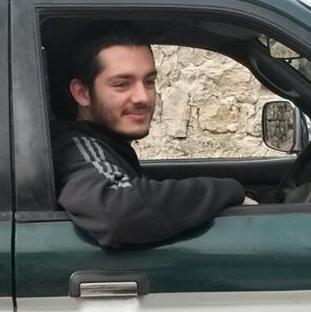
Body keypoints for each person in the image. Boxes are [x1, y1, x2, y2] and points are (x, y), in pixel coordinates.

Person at [51, 23, 256, 248]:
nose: (143, 97)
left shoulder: (107, 146)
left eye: (149, 82)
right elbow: (117, 212)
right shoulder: (75, 147)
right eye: (122, 84)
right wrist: (229, 192)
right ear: (82, 93)